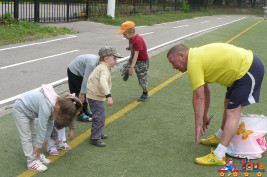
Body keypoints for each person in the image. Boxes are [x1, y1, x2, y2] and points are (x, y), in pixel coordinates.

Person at [167, 43, 264, 165]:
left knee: (233, 112)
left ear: (181, 55)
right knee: (228, 103)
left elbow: (199, 97)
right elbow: (205, 91)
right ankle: (219, 137)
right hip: (241, 72)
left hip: (248, 70)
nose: (173, 67)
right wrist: (204, 115)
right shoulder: (195, 57)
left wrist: (198, 125)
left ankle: (219, 155)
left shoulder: (193, 63)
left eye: (172, 62)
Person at [12, 84, 82, 172]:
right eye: (60, 116)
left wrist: (45, 138)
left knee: (33, 134)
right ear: (59, 108)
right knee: (26, 137)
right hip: (20, 110)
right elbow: (42, 126)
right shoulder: (46, 105)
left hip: (29, 112)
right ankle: (31, 161)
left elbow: (50, 123)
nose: (59, 118)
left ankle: (36, 155)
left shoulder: (56, 103)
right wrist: (39, 146)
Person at [86, 46, 122, 147]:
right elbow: (103, 83)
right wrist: (108, 95)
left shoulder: (103, 67)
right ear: (106, 59)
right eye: (114, 58)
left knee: (98, 116)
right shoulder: (103, 70)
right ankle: (95, 138)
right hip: (95, 96)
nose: (116, 61)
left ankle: (97, 133)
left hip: (94, 95)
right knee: (99, 117)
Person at [118, 21, 150, 102]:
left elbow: (136, 54)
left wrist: (132, 67)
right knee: (124, 67)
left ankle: (145, 93)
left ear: (132, 32)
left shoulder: (138, 39)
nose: (124, 36)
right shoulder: (131, 37)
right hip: (133, 57)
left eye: (125, 34)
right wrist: (130, 48)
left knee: (142, 79)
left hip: (142, 61)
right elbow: (134, 50)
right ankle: (126, 72)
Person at [67, 54, 100, 122]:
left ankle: (85, 110)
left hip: (82, 71)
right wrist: (82, 93)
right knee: (76, 93)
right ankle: (79, 113)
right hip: (74, 71)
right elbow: (86, 79)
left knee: (84, 91)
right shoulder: (92, 64)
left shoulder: (102, 63)